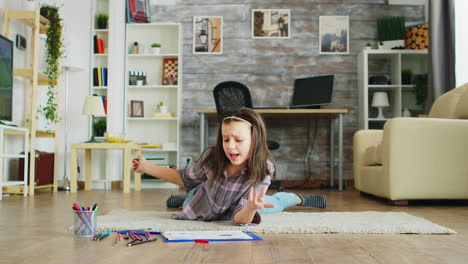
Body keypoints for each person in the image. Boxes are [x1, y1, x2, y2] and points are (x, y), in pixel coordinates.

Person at [132, 108, 326, 225]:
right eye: (226, 139)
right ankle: (183, 197)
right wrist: (146, 167)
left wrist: (250, 209)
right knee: (189, 199)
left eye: (238, 140)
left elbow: (240, 220)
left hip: (240, 207)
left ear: (254, 140)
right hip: (206, 199)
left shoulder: (263, 169)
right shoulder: (213, 157)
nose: (230, 146)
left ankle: (298, 198)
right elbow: (185, 178)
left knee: (274, 203)